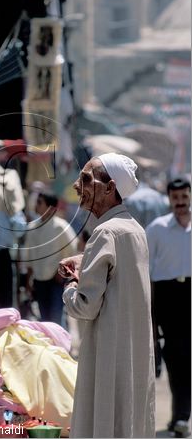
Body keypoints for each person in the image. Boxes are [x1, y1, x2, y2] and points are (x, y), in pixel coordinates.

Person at [59, 153, 155, 438]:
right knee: (129, 420)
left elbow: (85, 307)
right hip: (132, 351)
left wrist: (70, 288)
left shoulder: (105, 233)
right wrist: (84, 262)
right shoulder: (134, 230)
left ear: (110, 188)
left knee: (104, 421)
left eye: (86, 179)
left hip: (108, 352)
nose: (78, 185)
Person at [146, 177, 191, 438]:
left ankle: (180, 415)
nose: (181, 202)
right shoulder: (157, 229)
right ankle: (182, 415)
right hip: (168, 299)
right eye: (176, 198)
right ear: (169, 199)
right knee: (176, 358)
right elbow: (148, 275)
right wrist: (151, 315)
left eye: (184, 196)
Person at [24, 192, 77, 325]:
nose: (36, 205)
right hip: (39, 280)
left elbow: (72, 252)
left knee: (56, 318)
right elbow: (29, 256)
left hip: (56, 280)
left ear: (51, 207)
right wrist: (28, 280)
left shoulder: (61, 227)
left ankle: (62, 345)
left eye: (40, 202)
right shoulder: (32, 228)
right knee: (44, 319)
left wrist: (62, 273)